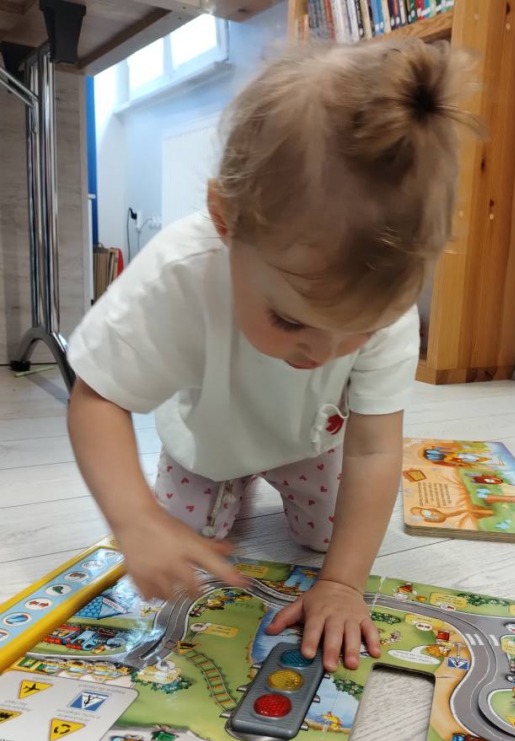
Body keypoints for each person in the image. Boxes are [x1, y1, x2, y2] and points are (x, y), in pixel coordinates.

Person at [67, 38, 473, 672]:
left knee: (330, 540)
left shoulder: (388, 299)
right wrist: (134, 519)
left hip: (313, 444)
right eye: (289, 320)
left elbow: (373, 448)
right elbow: (98, 396)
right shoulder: (178, 271)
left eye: (359, 332)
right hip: (207, 442)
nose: (322, 355)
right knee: (181, 541)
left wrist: (342, 584)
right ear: (225, 221)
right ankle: (219, 489)